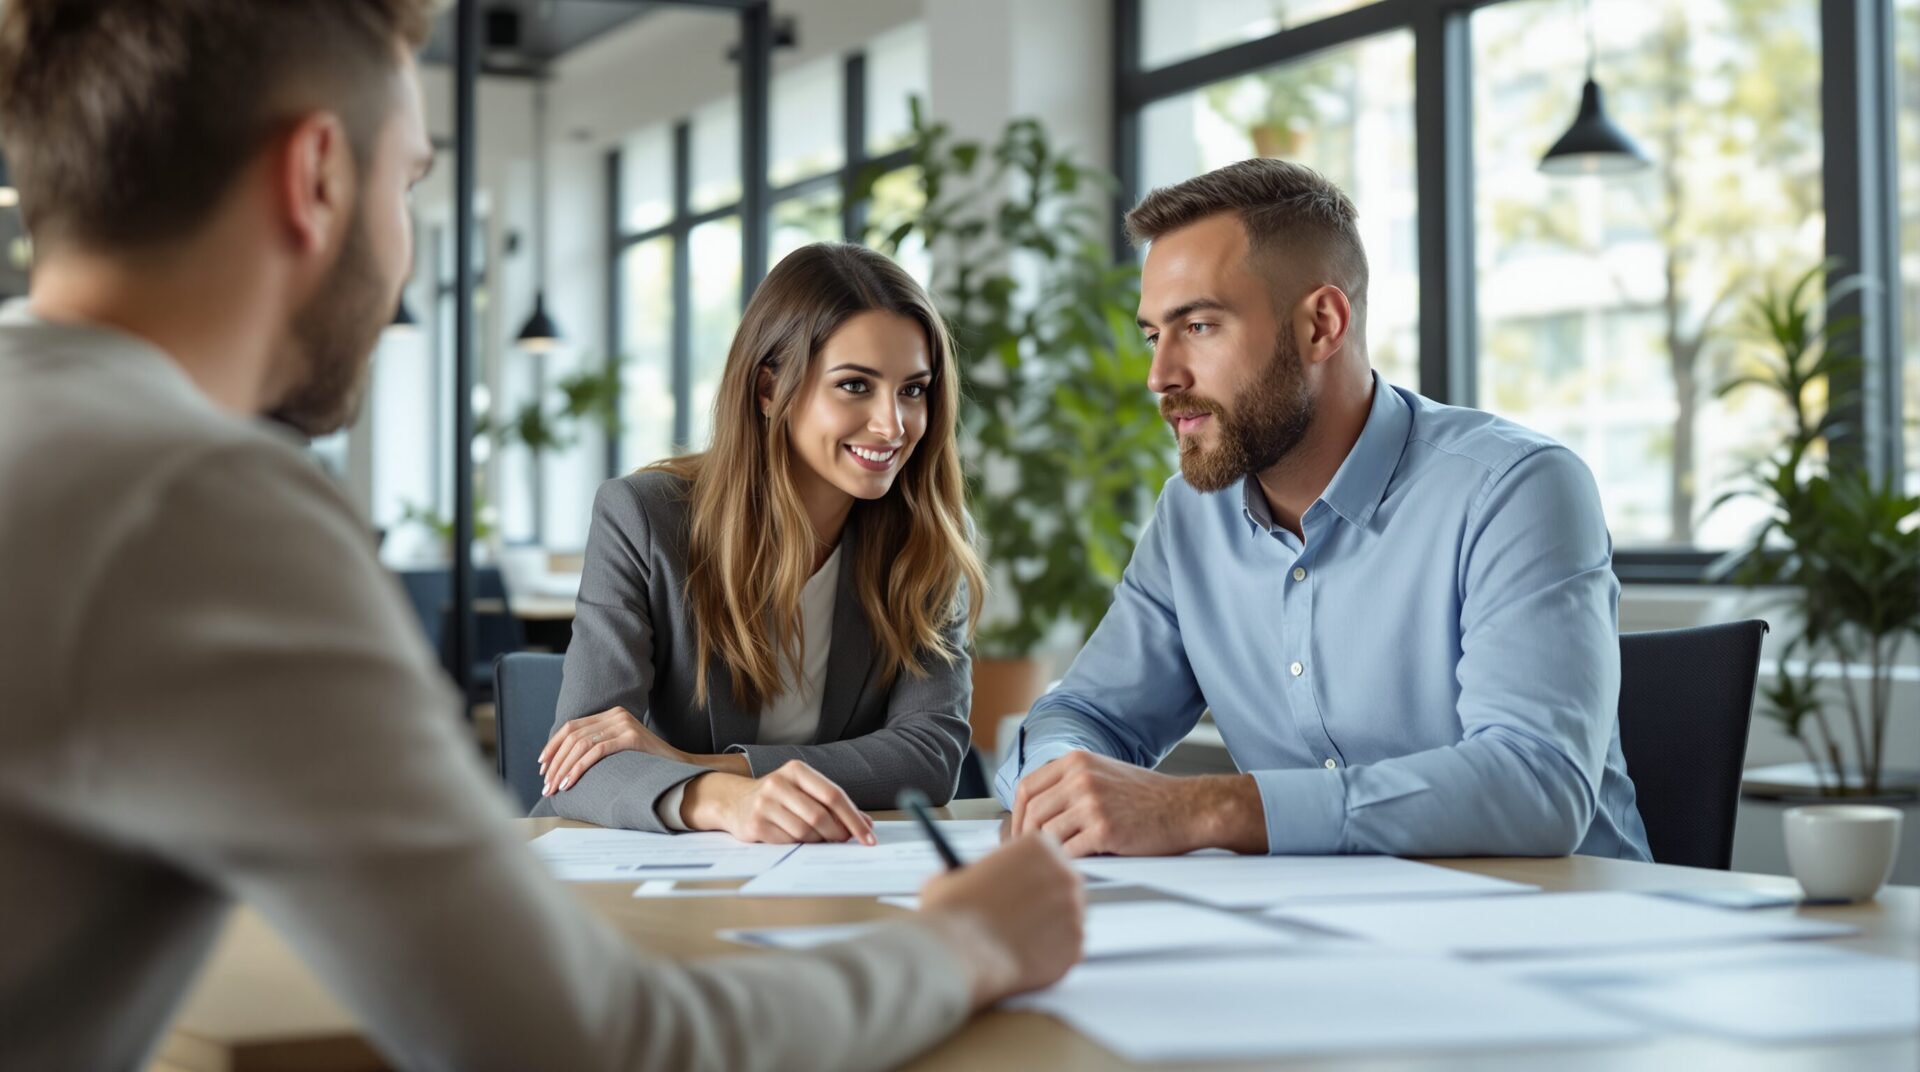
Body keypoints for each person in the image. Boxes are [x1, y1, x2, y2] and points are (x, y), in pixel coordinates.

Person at [0, 3, 1083, 1069]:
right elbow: (590, 1042)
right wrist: (965, 940)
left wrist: (689, 766)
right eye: (411, 181)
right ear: (319, 175)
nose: (408, 250)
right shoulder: (198, 504)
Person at [997, 158, 1651, 862]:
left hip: (1558, 934)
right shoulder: (1193, 514)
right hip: (1323, 937)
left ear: (1322, 325)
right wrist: (1064, 786)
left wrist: (1214, 807)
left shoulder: (1515, 490)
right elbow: (1084, 713)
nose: (1161, 376)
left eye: (1201, 327)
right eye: (1155, 335)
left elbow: (1534, 784)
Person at [533, 244, 985, 843]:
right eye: (855, 386)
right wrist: (722, 801)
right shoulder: (644, 518)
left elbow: (928, 756)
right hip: (651, 871)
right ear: (770, 388)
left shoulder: (926, 540)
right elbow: (581, 766)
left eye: (912, 390)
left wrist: (709, 770)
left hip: (824, 872)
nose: (892, 425)